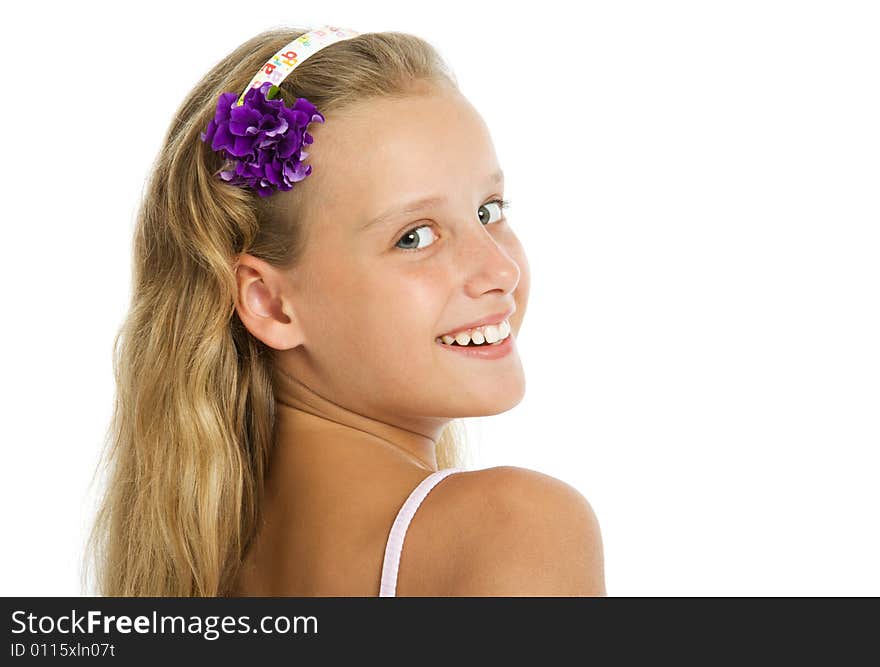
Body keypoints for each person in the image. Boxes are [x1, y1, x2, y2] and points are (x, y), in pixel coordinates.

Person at [88, 25, 605, 597]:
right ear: (269, 303)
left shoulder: (194, 577)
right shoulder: (514, 530)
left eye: (488, 210)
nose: (500, 271)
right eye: (415, 236)